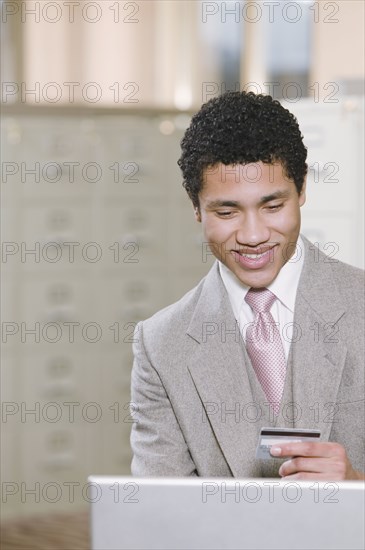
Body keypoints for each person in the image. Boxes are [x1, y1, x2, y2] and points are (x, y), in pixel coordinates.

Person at [130, 91, 364, 480]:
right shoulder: (159, 344)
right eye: (226, 212)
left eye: (272, 207)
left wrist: (356, 486)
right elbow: (161, 515)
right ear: (196, 207)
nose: (254, 236)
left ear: (303, 189)